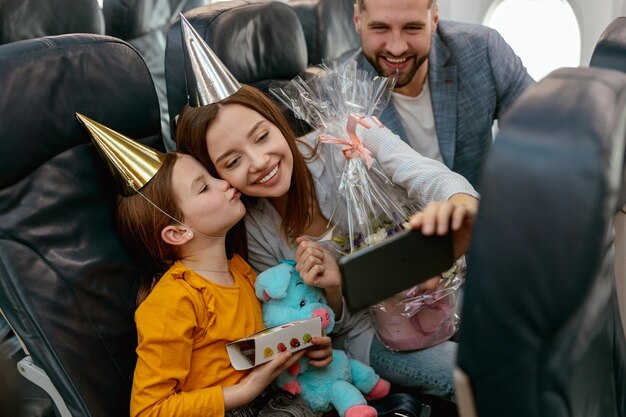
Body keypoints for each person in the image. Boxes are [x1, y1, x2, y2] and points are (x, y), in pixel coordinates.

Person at [175, 84, 479, 402]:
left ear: (278, 123)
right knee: (474, 376)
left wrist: (458, 212)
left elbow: (430, 176)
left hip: (438, 295)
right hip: (369, 336)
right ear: (218, 177)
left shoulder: (344, 139)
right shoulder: (254, 233)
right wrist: (333, 289)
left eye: (262, 137)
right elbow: (327, 327)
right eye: (232, 162)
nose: (259, 162)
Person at [77, 114, 331, 417]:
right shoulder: (173, 301)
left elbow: (254, 348)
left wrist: (301, 347)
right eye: (204, 187)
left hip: (277, 401)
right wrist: (247, 389)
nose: (224, 183)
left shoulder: (242, 272)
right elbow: (148, 410)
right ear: (178, 232)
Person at [348, 0, 535, 186]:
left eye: (412, 28)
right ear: (358, 20)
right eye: (380, 28)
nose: (397, 48)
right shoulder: (340, 95)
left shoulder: (482, 50)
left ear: (434, 19)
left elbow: (541, 130)